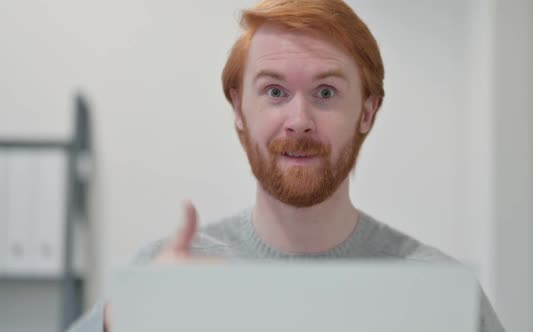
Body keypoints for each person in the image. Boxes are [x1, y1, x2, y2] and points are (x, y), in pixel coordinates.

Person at [68, 0, 505, 331]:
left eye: (326, 92)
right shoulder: (163, 277)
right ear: (239, 108)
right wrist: (126, 315)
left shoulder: (441, 296)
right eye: (275, 92)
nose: (299, 122)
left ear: (368, 112)